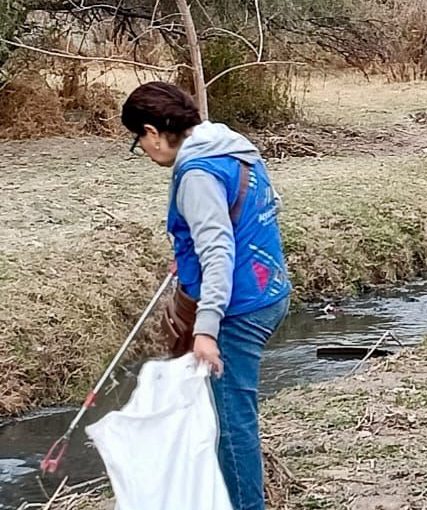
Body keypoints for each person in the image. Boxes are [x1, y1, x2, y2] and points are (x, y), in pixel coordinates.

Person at [122, 81, 292, 510]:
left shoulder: (197, 173)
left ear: (153, 131)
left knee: (233, 425)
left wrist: (207, 330)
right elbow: (250, 216)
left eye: (138, 140)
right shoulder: (232, 147)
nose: (142, 149)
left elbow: (218, 250)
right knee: (220, 415)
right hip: (269, 289)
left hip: (239, 308)